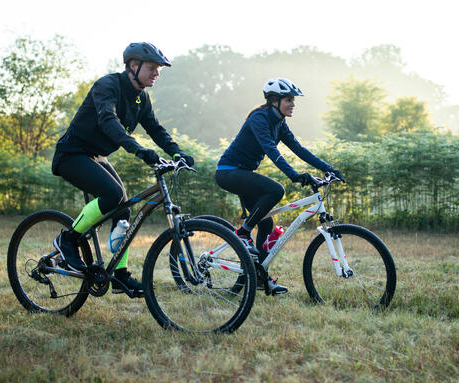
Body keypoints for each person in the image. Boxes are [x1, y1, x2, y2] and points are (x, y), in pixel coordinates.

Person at [51, 42, 194, 296]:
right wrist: (138, 149)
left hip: (96, 156)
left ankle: (120, 276)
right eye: (152, 68)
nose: (156, 74)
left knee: (123, 209)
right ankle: (69, 239)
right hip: (71, 154)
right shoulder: (107, 86)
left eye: (158, 69)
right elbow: (109, 121)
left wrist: (177, 152)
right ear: (132, 65)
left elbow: (156, 129)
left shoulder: (142, 98)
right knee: (112, 194)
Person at [215, 77, 343, 295]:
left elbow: (299, 149)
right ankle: (243, 232)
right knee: (275, 190)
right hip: (229, 172)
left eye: (293, 100)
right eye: (289, 100)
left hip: (244, 173)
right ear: (274, 100)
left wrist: (329, 169)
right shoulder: (260, 118)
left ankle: (257, 277)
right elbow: (272, 150)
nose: (293, 104)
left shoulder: (280, 122)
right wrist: (293, 175)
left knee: (266, 225)